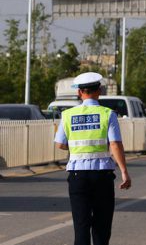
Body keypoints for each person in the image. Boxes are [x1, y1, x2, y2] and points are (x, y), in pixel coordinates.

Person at [54, 72, 131, 245]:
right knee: (102, 226)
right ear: (99, 91)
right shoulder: (107, 114)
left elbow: (60, 144)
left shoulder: (67, 115)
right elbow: (115, 145)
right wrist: (124, 172)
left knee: (81, 226)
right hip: (102, 175)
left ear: (79, 93)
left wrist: (75, 147)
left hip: (77, 176)